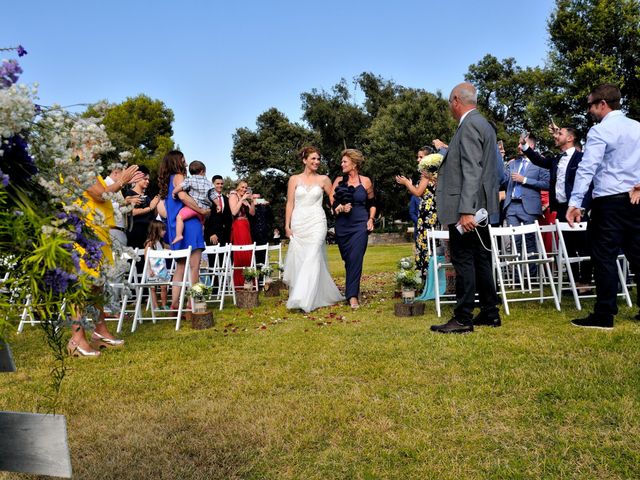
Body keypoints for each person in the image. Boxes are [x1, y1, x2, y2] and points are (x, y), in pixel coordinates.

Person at [566, 83, 640, 329]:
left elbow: (588, 168)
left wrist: (575, 202)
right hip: (635, 199)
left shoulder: (599, 132)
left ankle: (605, 314)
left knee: (603, 257)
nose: (588, 110)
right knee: (638, 256)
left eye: (590, 105)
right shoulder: (637, 128)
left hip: (609, 203)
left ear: (602, 104)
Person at [430, 82, 500, 334]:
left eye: (450, 102)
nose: (450, 107)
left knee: (464, 261)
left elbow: (472, 169)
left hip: (470, 209)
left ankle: (462, 317)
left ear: (456, 100)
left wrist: (467, 210)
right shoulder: (484, 124)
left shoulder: (469, 125)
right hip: (481, 205)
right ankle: (491, 312)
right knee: (481, 259)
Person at [68, 164, 144, 357]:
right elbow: (100, 195)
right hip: (85, 232)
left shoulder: (91, 170)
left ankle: (99, 332)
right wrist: (122, 181)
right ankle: (77, 339)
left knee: (98, 285)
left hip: (99, 231)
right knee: (82, 284)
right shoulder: (77, 166)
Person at [521, 126, 593, 289]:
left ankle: (586, 281)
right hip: (560, 209)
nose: (556, 136)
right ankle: (573, 282)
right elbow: (539, 160)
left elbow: (589, 184)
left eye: (560, 133)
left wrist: (583, 207)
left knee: (584, 246)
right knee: (567, 247)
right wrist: (525, 146)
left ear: (570, 138)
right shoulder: (556, 159)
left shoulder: (582, 158)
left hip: (577, 208)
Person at [282, 147, 343, 312]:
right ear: (304, 160)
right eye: (313, 159)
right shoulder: (294, 179)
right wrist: (287, 225)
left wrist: (339, 207)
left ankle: (303, 299)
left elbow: (332, 200)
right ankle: (313, 294)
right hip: (299, 222)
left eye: (318, 159)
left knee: (313, 255)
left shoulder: (324, 179)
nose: (316, 162)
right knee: (302, 258)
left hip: (317, 221)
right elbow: (290, 203)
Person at [158, 151, 208, 310]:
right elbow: (184, 198)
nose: (185, 162)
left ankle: (174, 305)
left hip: (175, 226)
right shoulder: (179, 177)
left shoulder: (166, 181)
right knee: (194, 266)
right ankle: (193, 303)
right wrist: (201, 210)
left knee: (180, 267)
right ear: (176, 161)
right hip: (189, 225)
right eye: (183, 158)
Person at [331, 149, 376, 309]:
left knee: (356, 258)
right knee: (348, 260)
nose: (341, 164)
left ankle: (352, 296)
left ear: (354, 164)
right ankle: (352, 289)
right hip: (343, 226)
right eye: (342, 161)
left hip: (360, 224)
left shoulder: (366, 181)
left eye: (345, 162)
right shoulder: (337, 181)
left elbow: (372, 204)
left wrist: (371, 219)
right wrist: (341, 207)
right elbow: (333, 204)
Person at [502, 137, 550, 275]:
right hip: (512, 206)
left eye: (522, 143)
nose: (518, 146)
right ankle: (517, 277)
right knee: (514, 241)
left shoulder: (540, 163)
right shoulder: (512, 164)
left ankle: (532, 275)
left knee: (529, 241)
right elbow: (502, 180)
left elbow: (547, 184)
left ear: (532, 146)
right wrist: (500, 159)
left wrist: (525, 180)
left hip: (529, 207)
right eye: (518, 143)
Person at [395, 146, 439, 279]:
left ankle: (425, 277)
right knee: (430, 243)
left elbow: (418, 192)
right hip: (432, 211)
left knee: (424, 243)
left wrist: (406, 184)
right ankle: (430, 277)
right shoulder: (435, 173)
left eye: (421, 157)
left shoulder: (426, 173)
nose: (418, 159)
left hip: (427, 214)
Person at [171, 160, 214, 245]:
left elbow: (181, 187)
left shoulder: (190, 180)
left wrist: (174, 192)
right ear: (202, 171)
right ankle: (201, 233)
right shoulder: (209, 183)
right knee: (201, 223)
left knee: (179, 217)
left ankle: (179, 235)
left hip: (194, 207)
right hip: (205, 209)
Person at [104, 164, 143, 248]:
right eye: (125, 175)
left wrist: (129, 203)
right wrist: (125, 201)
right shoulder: (106, 184)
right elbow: (105, 206)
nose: (127, 178)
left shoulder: (117, 188)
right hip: (112, 229)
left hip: (119, 230)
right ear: (115, 173)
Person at [124, 166, 161, 250]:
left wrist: (156, 205)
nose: (147, 181)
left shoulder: (148, 197)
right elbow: (131, 212)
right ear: (137, 178)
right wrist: (150, 207)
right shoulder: (130, 194)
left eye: (148, 180)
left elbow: (154, 215)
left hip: (148, 234)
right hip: (136, 233)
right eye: (145, 179)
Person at [229, 180, 255, 286]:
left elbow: (252, 213)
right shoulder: (233, 195)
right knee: (240, 253)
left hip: (246, 225)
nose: (244, 189)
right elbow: (234, 211)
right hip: (238, 225)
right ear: (238, 187)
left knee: (248, 253)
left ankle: (249, 281)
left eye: (246, 187)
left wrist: (252, 201)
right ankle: (239, 282)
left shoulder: (245, 198)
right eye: (242, 187)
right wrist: (242, 199)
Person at [143, 219, 170, 310]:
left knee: (163, 287)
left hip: (161, 269)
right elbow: (146, 257)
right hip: (152, 269)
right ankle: (155, 306)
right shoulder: (150, 243)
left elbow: (169, 248)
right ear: (156, 231)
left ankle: (164, 304)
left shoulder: (161, 243)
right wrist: (149, 269)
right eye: (162, 229)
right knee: (153, 288)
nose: (164, 231)